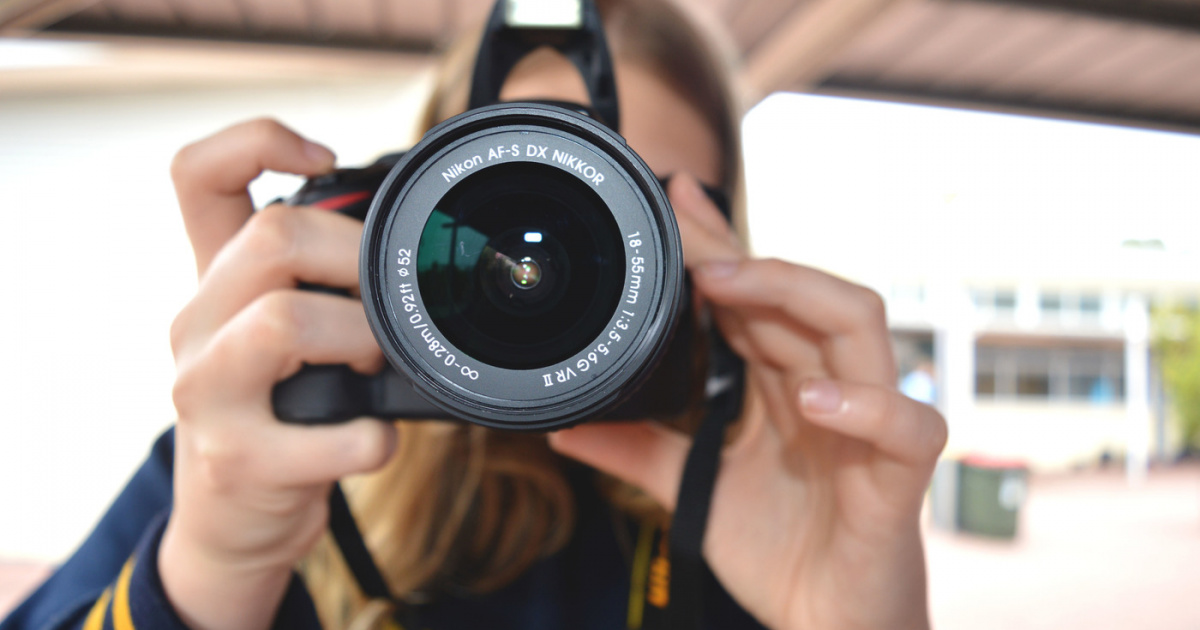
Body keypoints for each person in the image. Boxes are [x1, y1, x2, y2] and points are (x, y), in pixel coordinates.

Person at [2, 0, 947, 629]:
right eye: (517, 197)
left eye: (633, 212)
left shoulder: (770, 501)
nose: (558, 271)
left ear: (712, 250)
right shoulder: (265, 456)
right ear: (395, 219)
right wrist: (209, 571)